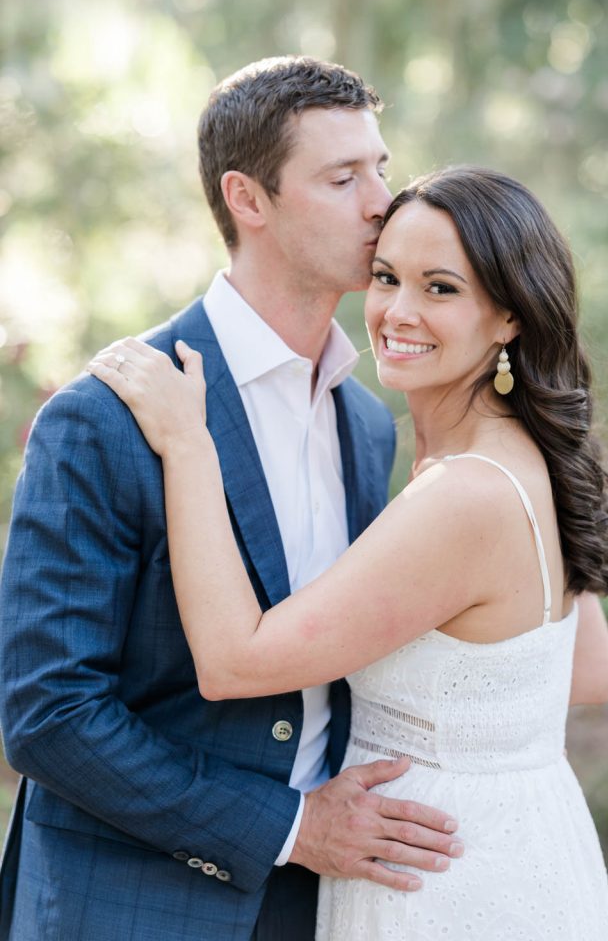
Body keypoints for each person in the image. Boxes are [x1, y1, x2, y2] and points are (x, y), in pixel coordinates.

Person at [88, 164, 608, 940]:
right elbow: (588, 672)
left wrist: (187, 443)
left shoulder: (464, 495)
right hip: (521, 850)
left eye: (441, 288)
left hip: (440, 880)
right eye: (384, 277)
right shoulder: (520, 456)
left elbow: (235, 661)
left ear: (509, 315)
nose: (397, 312)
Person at [0, 57, 464, 941]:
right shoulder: (106, 416)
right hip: (128, 904)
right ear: (248, 200)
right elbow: (49, 714)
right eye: (343, 177)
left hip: (325, 905)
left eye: (382, 168)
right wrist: (290, 829)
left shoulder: (367, 423)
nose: (382, 203)